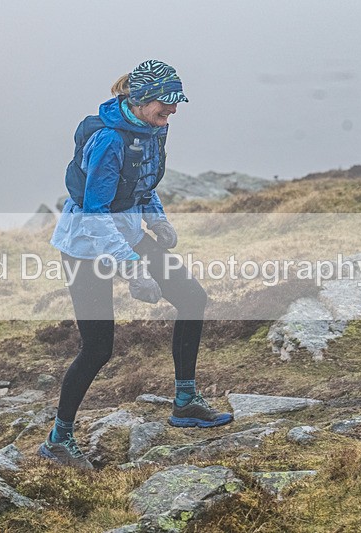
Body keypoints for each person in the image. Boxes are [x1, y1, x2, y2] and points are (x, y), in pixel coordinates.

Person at [39, 60, 233, 469]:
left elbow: (142, 183)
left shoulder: (152, 128)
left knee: (192, 298)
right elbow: (94, 213)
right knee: (98, 348)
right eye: (167, 102)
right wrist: (132, 269)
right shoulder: (109, 140)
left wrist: (157, 219)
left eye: (177, 102)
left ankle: (185, 401)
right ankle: (58, 439)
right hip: (85, 244)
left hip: (126, 231)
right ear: (143, 99)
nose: (173, 110)